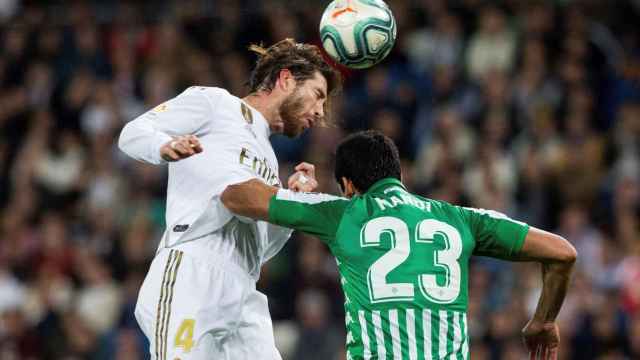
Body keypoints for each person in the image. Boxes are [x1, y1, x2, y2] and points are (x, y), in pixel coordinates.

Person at [221, 130, 577, 360]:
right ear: (399, 176)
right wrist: (543, 321)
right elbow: (562, 253)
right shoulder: (461, 219)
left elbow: (236, 197)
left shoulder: (340, 213)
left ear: (347, 185)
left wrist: (292, 190)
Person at [118, 38, 340, 360]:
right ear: (286, 79)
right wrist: (163, 147)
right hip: (194, 270)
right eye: (318, 95)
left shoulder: (268, 159)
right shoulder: (215, 103)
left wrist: (291, 203)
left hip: (244, 287)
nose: (320, 112)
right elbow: (133, 133)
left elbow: (261, 250)